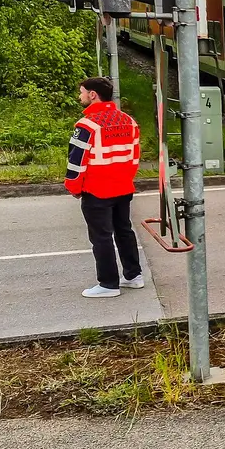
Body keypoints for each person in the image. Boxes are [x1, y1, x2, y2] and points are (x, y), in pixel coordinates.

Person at [65, 77, 145, 298]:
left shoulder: (86, 125)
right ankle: (133, 275)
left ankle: (108, 284)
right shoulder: (129, 121)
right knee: (124, 231)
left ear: (93, 95)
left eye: (82, 92)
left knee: (101, 237)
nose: (79, 96)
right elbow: (135, 156)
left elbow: (76, 161)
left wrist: (73, 186)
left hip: (96, 190)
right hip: (123, 187)